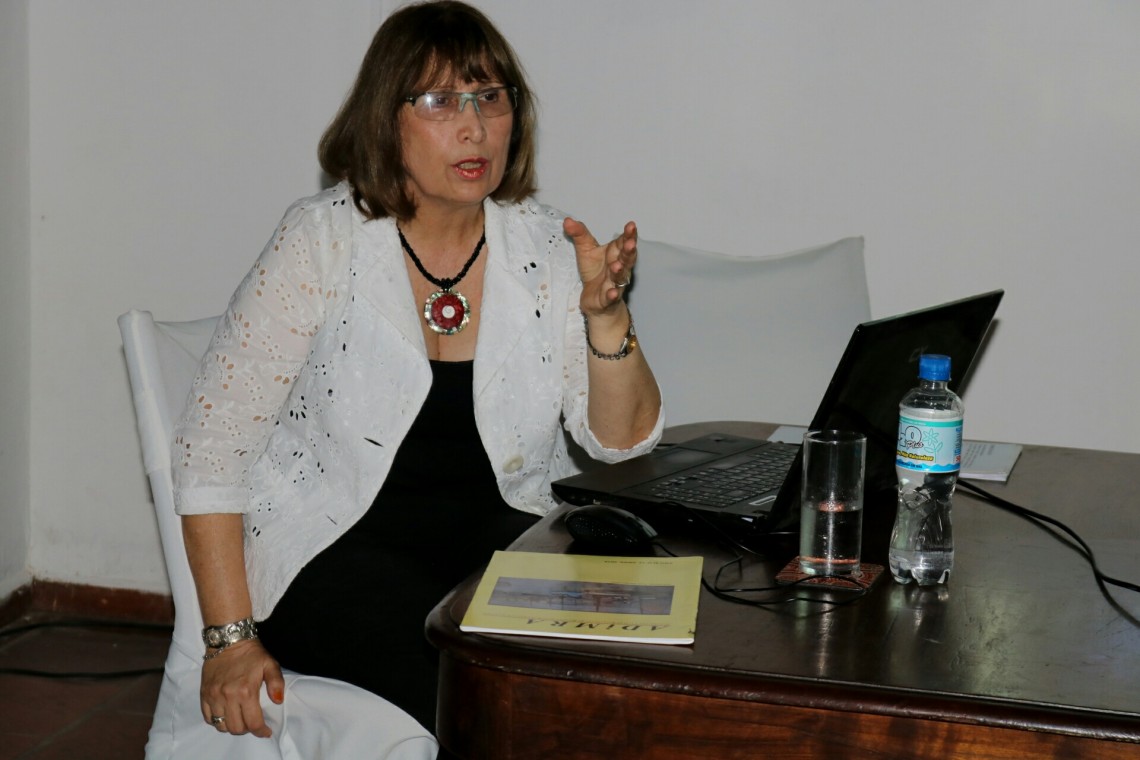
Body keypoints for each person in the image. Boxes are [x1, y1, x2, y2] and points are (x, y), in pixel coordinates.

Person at [171, 0, 663, 746]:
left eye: (490, 97)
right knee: (479, 697)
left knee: (611, 680)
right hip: (335, 552)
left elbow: (622, 442)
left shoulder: (546, 247)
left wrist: (607, 318)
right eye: (438, 101)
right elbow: (211, 450)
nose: (474, 127)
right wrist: (228, 639)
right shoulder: (321, 241)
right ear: (385, 119)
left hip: (500, 543)